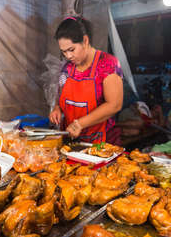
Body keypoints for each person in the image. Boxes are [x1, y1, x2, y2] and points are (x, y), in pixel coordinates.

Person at [49, 16, 123, 145]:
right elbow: (61, 96)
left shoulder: (107, 64)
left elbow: (114, 105)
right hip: (71, 141)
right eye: (64, 52)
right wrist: (57, 108)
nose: (68, 56)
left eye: (71, 50)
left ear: (85, 40)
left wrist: (80, 124)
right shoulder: (67, 67)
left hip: (101, 143)